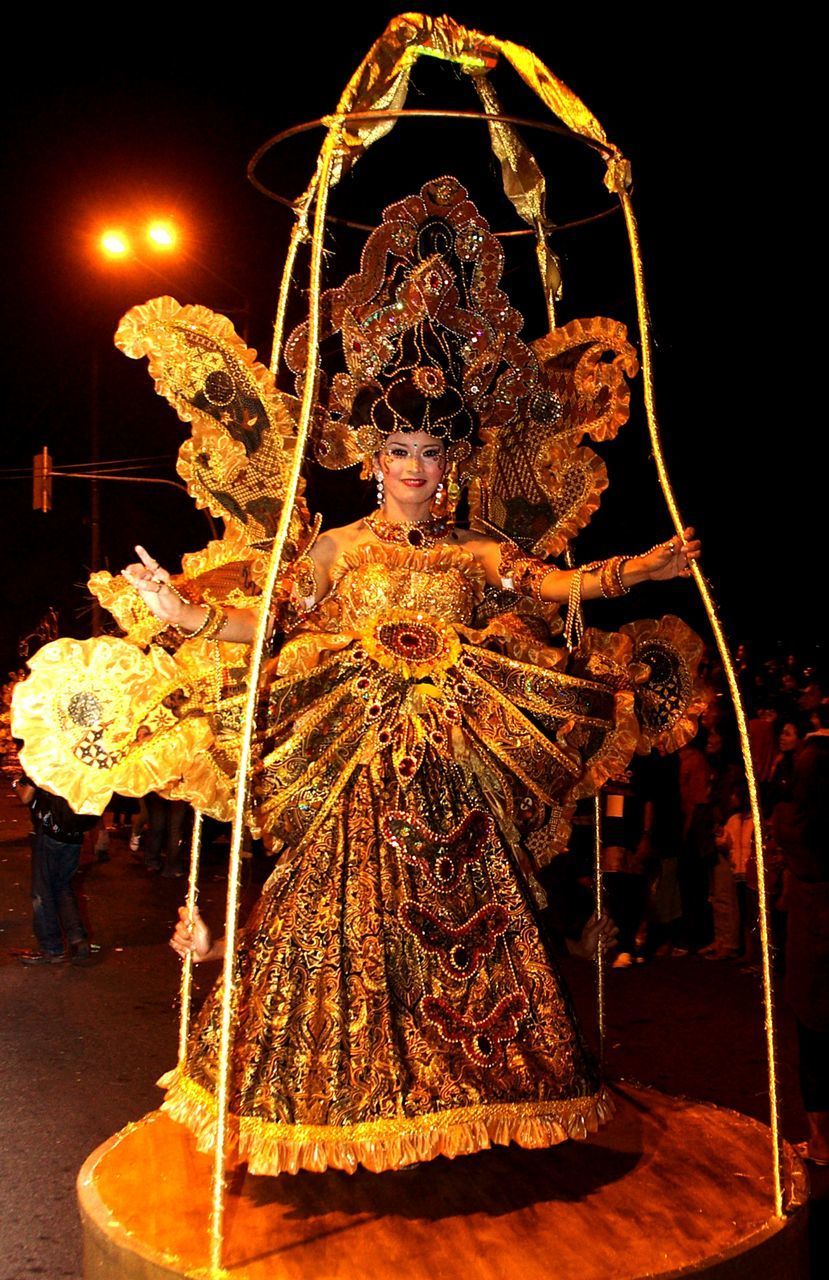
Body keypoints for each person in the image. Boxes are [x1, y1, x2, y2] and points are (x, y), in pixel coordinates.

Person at [15, 178, 703, 1176]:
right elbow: (274, 618)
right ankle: (329, 1098)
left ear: (450, 460)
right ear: (372, 457)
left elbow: (555, 582)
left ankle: (475, 1097)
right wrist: (188, 613)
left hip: (460, 770)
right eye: (398, 449)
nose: (415, 466)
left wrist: (636, 569)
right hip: (353, 766)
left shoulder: (473, 552)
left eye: (430, 450)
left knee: (482, 923)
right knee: (327, 922)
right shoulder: (336, 551)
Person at [14, 774, 98, 966]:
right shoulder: (79, 760)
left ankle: (52, 948)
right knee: (62, 886)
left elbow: (26, 796)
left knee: (41, 892)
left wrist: (15, 784)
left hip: (51, 832)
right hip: (74, 833)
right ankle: (78, 940)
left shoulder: (46, 759)